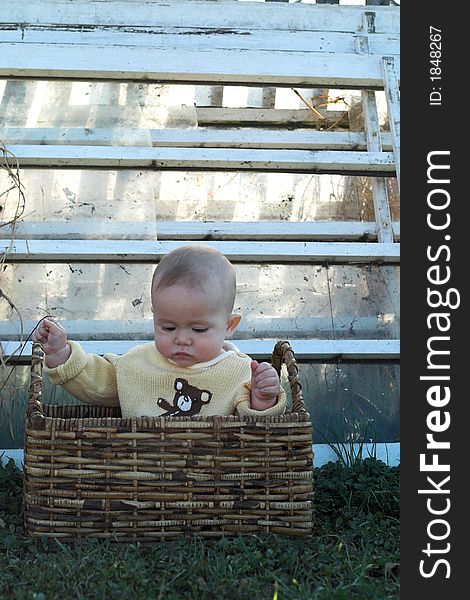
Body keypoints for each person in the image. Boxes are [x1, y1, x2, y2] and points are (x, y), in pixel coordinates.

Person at [32, 245, 286, 418]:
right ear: (155, 318)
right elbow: (95, 383)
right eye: (168, 327)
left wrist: (263, 398)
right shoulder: (137, 363)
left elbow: (258, 429)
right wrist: (61, 354)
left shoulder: (241, 372)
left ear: (229, 326)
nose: (182, 339)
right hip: (141, 476)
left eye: (198, 329)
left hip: (214, 480)